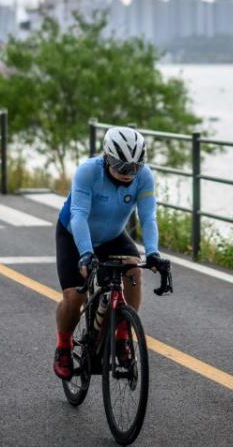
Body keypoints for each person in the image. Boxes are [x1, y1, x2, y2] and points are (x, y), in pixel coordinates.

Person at [52, 126, 167, 380]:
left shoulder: (144, 177)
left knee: (134, 271)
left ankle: (123, 333)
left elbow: (148, 218)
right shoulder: (88, 172)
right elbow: (79, 215)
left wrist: (154, 252)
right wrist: (85, 253)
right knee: (74, 298)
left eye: (134, 168)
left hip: (113, 237)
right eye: (121, 166)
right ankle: (63, 345)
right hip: (74, 235)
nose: (128, 174)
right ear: (106, 157)